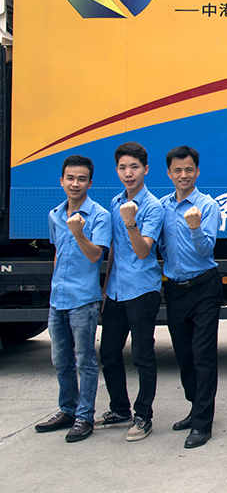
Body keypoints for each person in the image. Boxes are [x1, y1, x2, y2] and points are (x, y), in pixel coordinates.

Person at [35, 155, 111, 443]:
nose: (75, 183)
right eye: (70, 178)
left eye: (81, 179)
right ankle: (67, 410)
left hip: (83, 300)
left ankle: (84, 416)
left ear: (90, 183)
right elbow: (58, 252)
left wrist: (78, 232)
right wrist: (55, 286)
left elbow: (95, 256)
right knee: (60, 360)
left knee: (85, 361)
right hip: (58, 298)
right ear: (61, 181)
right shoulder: (55, 214)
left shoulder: (100, 216)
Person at [97, 142, 163, 442]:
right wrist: (104, 290)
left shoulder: (153, 206)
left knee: (142, 355)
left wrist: (130, 222)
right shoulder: (115, 202)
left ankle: (143, 415)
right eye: (123, 168)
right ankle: (120, 408)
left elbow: (142, 250)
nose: (128, 173)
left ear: (145, 169)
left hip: (142, 290)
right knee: (109, 353)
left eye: (134, 167)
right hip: (116, 290)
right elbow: (114, 249)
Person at [158, 146, 222, 449]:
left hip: (204, 286)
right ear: (169, 173)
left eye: (188, 170)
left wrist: (195, 228)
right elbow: (160, 244)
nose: (183, 175)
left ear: (197, 172)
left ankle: (202, 424)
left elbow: (206, 249)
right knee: (184, 356)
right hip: (174, 288)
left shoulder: (207, 206)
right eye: (177, 170)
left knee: (203, 355)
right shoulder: (163, 206)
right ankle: (195, 407)